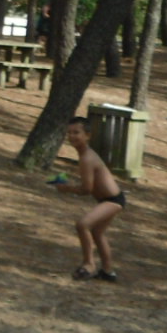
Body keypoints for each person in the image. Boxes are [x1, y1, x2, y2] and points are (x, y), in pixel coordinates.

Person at [54, 116, 124, 282]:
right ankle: (108, 271)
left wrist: (66, 188)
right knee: (97, 233)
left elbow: (86, 189)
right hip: (107, 200)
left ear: (87, 135)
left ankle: (89, 265)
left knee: (83, 224)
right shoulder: (84, 156)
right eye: (69, 133)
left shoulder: (87, 158)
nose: (72, 136)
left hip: (113, 200)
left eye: (76, 132)